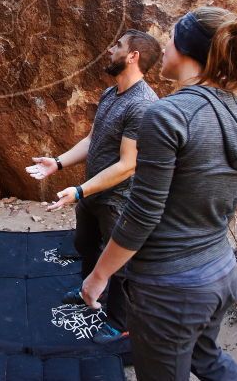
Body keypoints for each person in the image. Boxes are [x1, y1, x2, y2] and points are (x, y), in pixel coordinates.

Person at [81, 7, 237, 380]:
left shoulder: (168, 115)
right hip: (219, 272)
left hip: (171, 289)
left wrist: (99, 275)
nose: (163, 47)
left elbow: (143, 213)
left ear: (185, 51)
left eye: (171, 39)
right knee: (207, 359)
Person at [26, 29, 161, 335]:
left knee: (121, 265)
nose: (111, 49)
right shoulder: (111, 94)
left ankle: (119, 323)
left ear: (133, 56)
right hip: (92, 192)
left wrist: (79, 190)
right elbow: (92, 139)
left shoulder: (143, 105)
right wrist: (58, 163)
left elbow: (128, 165)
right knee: (85, 245)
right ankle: (90, 292)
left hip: (120, 200)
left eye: (118, 45)